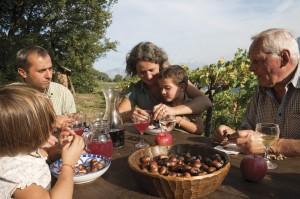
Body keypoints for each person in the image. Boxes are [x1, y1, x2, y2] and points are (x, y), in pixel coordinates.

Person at [214, 28, 300, 157]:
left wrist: (273, 145)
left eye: (257, 61)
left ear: (284, 58)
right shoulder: (261, 91)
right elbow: (249, 131)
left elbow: (263, 143)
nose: (251, 68)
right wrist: (233, 135)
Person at [0, 83, 84, 199]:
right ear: (28, 134)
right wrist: (68, 165)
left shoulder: (18, 152)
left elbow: (40, 157)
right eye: (47, 122)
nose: (53, 126)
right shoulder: (16, 174)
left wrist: (59, 148)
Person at [118, 41, 212, 122]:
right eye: (142, 72)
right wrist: (129, 115)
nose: (149, 76)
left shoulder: (173, 79)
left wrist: (172, 111)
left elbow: (205, 101)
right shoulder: (135, 89)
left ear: (160, 64)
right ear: (135, 72)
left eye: (152, 70)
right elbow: (117, 115)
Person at [16, 46, 76, 116]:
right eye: (41, 71)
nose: (49, 76)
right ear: (23, 73)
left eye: (50, 69)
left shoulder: (63, 93)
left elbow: (72, 123)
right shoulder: (11, 99)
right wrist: (52, 123)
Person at [157, 65, 203, 134]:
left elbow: (199, 130)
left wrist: (177, 120)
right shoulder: (165, 104)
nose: (162, 92)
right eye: (161, 88)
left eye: (167, 88)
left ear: (182, 87)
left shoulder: (191, 105)